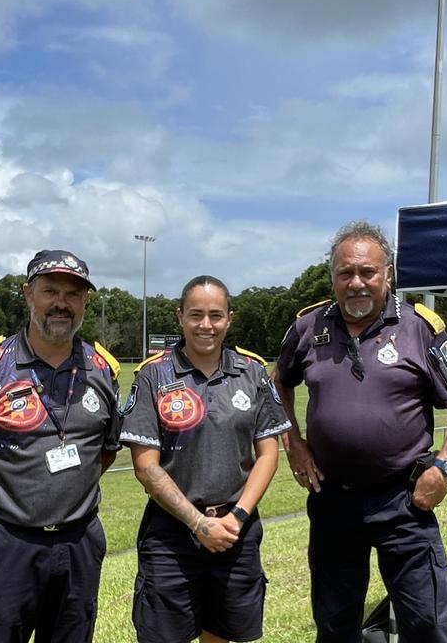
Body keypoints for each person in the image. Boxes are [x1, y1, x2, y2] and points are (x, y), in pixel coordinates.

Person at [274, 220, 447, 643]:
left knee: (426, 622)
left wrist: (444, 469)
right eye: (345, 273)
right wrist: (293, 443)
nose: (356, 283)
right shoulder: (308, 327)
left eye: (367, 272)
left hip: (404, 501)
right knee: (334, 625)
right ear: (332, 276)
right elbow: (276, 382)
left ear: (388, 273)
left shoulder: (420, 328)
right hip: (332, 500)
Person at [0, 249, 123, 643]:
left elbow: (105, 451)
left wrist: (66, 497)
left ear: (86, 301)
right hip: (6, 544)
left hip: (78, 542)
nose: (61, 303)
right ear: (27, 294)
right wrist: (3, 501)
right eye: (49, 291)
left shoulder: (103, 370)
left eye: (73, 295)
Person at [122, 275, 291, 643]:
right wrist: (198, 524)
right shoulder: (153, 375)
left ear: (230, 318)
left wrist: (238, 517)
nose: (206, 325)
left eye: (216, 315)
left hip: (236, 528)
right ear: (179, 316)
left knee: (221, 633)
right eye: (196, 314)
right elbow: (145, 467)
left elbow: (267, 455)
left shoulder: (252, 372)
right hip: (172, 533)